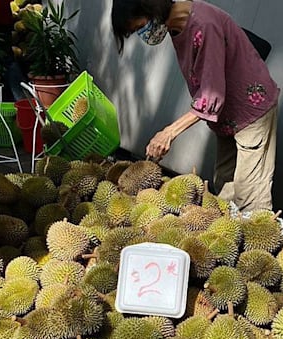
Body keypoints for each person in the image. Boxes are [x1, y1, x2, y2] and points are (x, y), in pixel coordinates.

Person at [111, 0, 280, 213]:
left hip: (251, 109)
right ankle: (227, 236)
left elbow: (211, 95)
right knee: (225, 184)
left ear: (152, 9)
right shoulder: (176, 24)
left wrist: (169, 133)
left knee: (251, 195)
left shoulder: (203, 25)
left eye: (139, 27)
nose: (142, 34)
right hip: (227, 114)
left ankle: (262, 240)